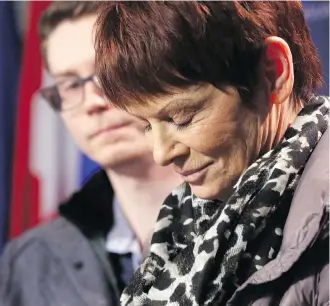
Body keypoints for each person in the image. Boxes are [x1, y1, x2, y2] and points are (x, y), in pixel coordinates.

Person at [93, 1, 329, 305]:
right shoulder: (180, 231)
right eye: (147, 125)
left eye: (182, 118)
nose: (161, 154)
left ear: (274, 73)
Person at [0, 2, 182, 306]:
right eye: (70, 84)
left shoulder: (251, 225)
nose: (93, 102)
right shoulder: (29, 263)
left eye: (110, 72)